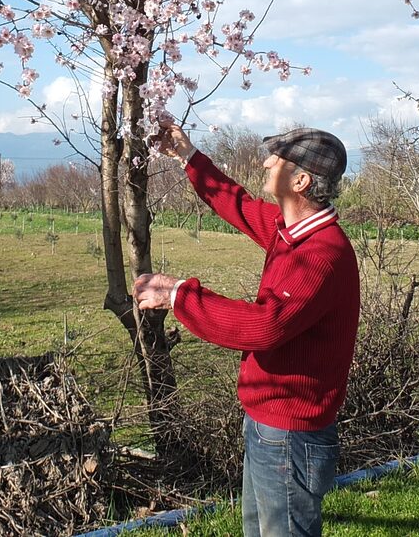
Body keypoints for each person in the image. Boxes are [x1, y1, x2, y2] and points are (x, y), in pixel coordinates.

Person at [134, 120, 360, 537]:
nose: (265, 162)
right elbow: (235, 204)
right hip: (267, 420)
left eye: (277, 159)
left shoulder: (322, 255)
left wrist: (178, 296)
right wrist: (187, 155)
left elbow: (264, 326)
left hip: (291, 434)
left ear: (302, 180)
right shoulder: (288, 232)